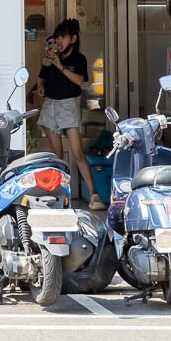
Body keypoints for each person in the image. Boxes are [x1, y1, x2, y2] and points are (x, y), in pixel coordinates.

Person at [36, 18, 106, 212]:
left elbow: (79, 81)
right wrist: (41, 88)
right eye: (57, 36)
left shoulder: (78, 59)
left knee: (77, 152)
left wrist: (61, 66)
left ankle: (93, 194)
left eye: (63, 37)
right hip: (50, 105)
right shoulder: (50, 58)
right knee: (57, 155)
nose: (59, 41)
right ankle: (59, 194)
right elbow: (41, 79)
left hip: (69, 106)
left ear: (73, 39)